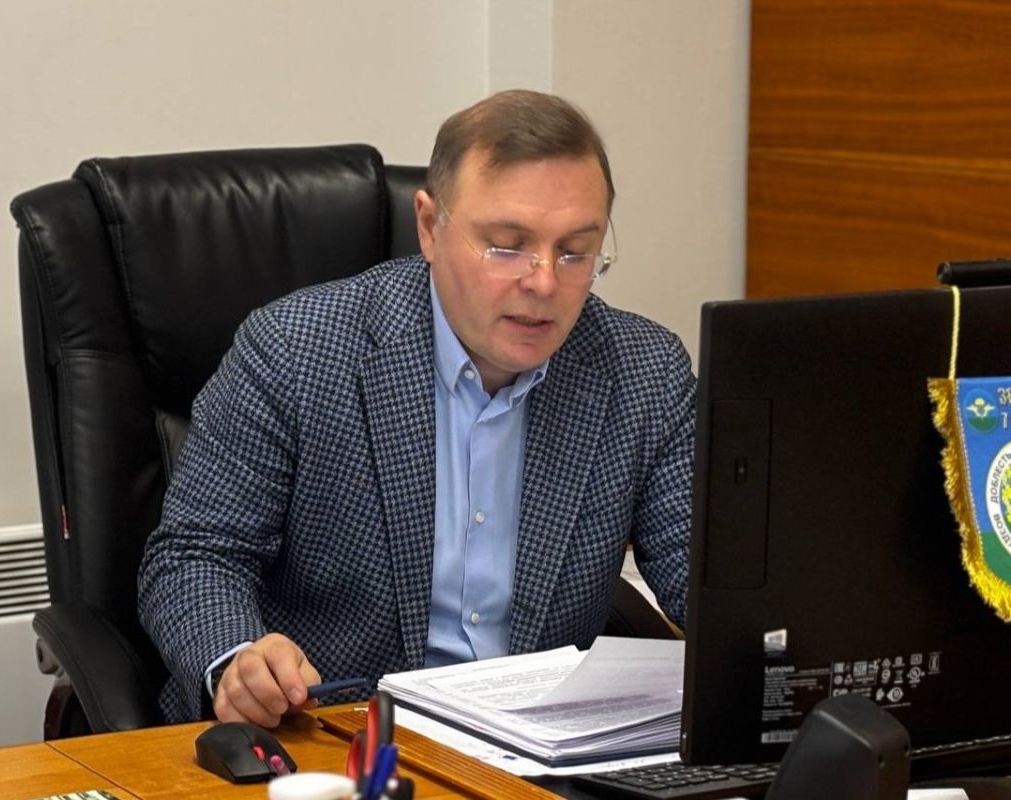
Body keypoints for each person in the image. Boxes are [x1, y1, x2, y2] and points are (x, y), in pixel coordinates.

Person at [138, 89, 695, 727]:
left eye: (574, 251)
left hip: (538, 743)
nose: (544, 281)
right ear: (430, 227)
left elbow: (707, 576)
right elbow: (195, 556)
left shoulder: (642, 373)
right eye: (507, 245)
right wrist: (239, 660)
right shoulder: (297, 350)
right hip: (329, 734)